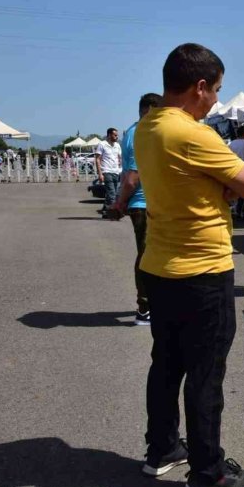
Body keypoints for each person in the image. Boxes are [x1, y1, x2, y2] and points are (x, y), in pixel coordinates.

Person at [134, 43, 244, 487]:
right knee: (206, 372)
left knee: (166, 364)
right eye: (216, 91)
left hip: (160, 264)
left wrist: (215, 186)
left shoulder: (146, 127)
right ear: (200, 87)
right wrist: (223, 187)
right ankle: (209, 472)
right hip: (202, 268)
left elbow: (188, 183)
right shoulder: (192, 133)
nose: (216, 102)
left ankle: (162, 449)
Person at [112, 92, 163, 326]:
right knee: (146, 256)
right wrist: (120, 202)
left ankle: (152, 303)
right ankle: (144, 309)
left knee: (152, 255)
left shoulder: (139, 131)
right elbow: (132, 178)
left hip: (149, 202)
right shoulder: (138, 134)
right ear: (147, 111)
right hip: (142, 204)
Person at [95, 128, 122, 216]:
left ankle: (105, 211)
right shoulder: (102, 144)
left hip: (116, 172)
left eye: (117, 135)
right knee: (112, 194)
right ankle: (116, 213)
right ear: (109, 135)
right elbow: (98, 159)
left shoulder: (117, 145)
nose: (117, 137)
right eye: (115, 135)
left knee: (112, 193)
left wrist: (121, 168)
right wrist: (100, 174)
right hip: (106, 171)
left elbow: (119, 158)